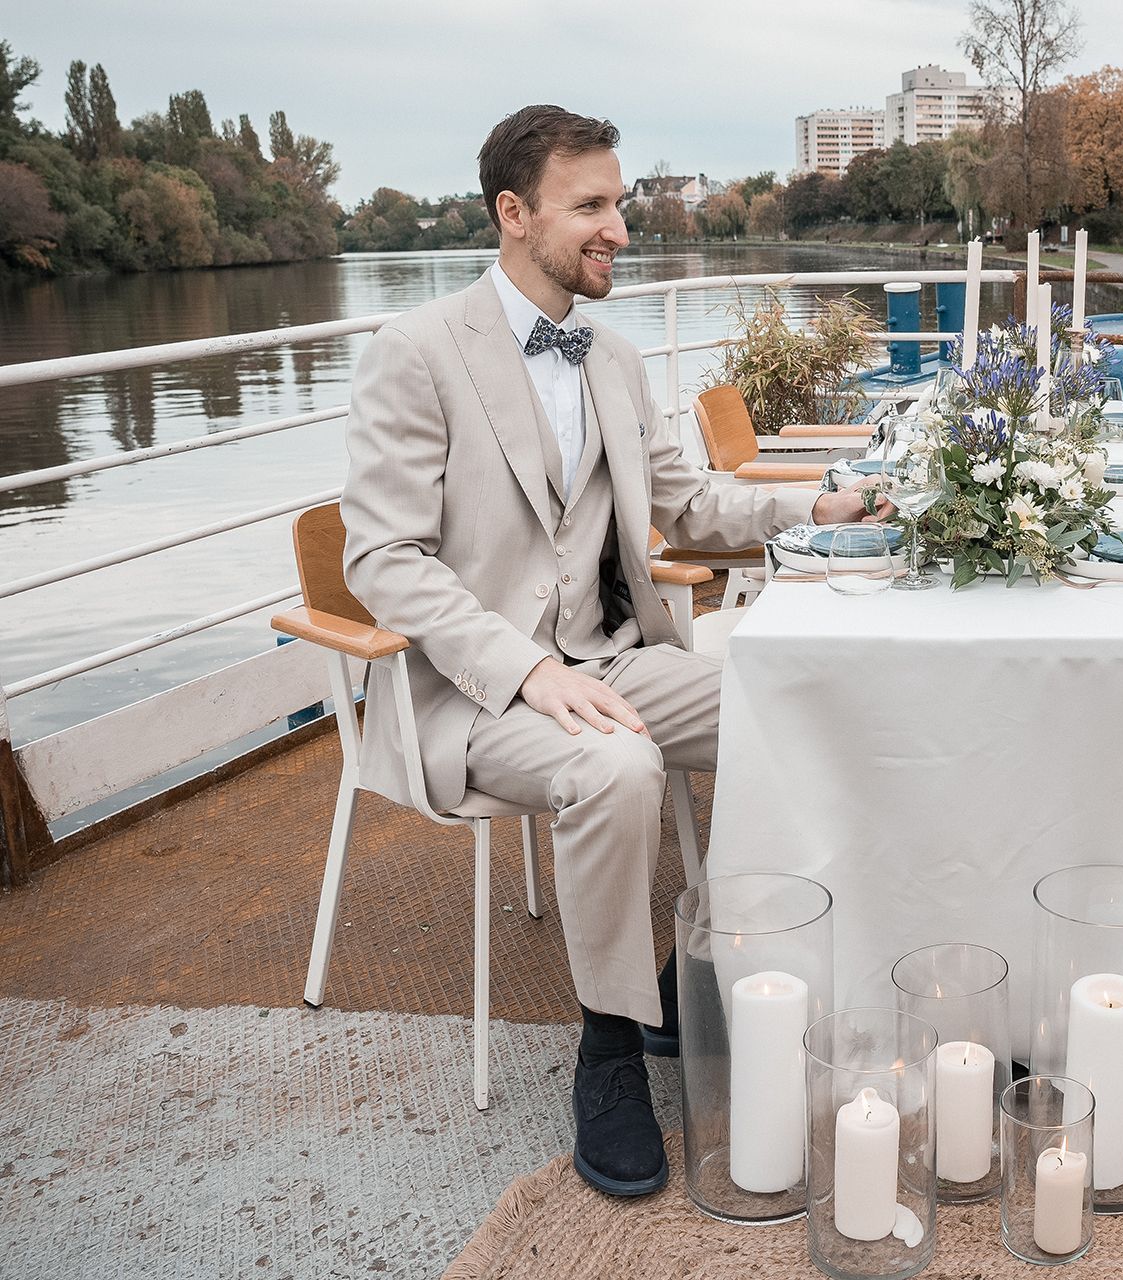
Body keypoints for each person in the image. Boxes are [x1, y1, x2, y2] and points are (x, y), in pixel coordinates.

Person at [339, 105, 885, 1197]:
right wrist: (527, 668)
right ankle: (610, 1044)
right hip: (479, 691)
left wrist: (820, 504)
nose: (619, 229)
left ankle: (720, 960)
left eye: (619, 203)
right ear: (512, 213)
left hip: (614, 654)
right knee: (618, 766)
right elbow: (382, 557)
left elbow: (686, 505)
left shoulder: (618, 358)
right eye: (590, 206)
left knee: (796, 699)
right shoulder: (415, 352)